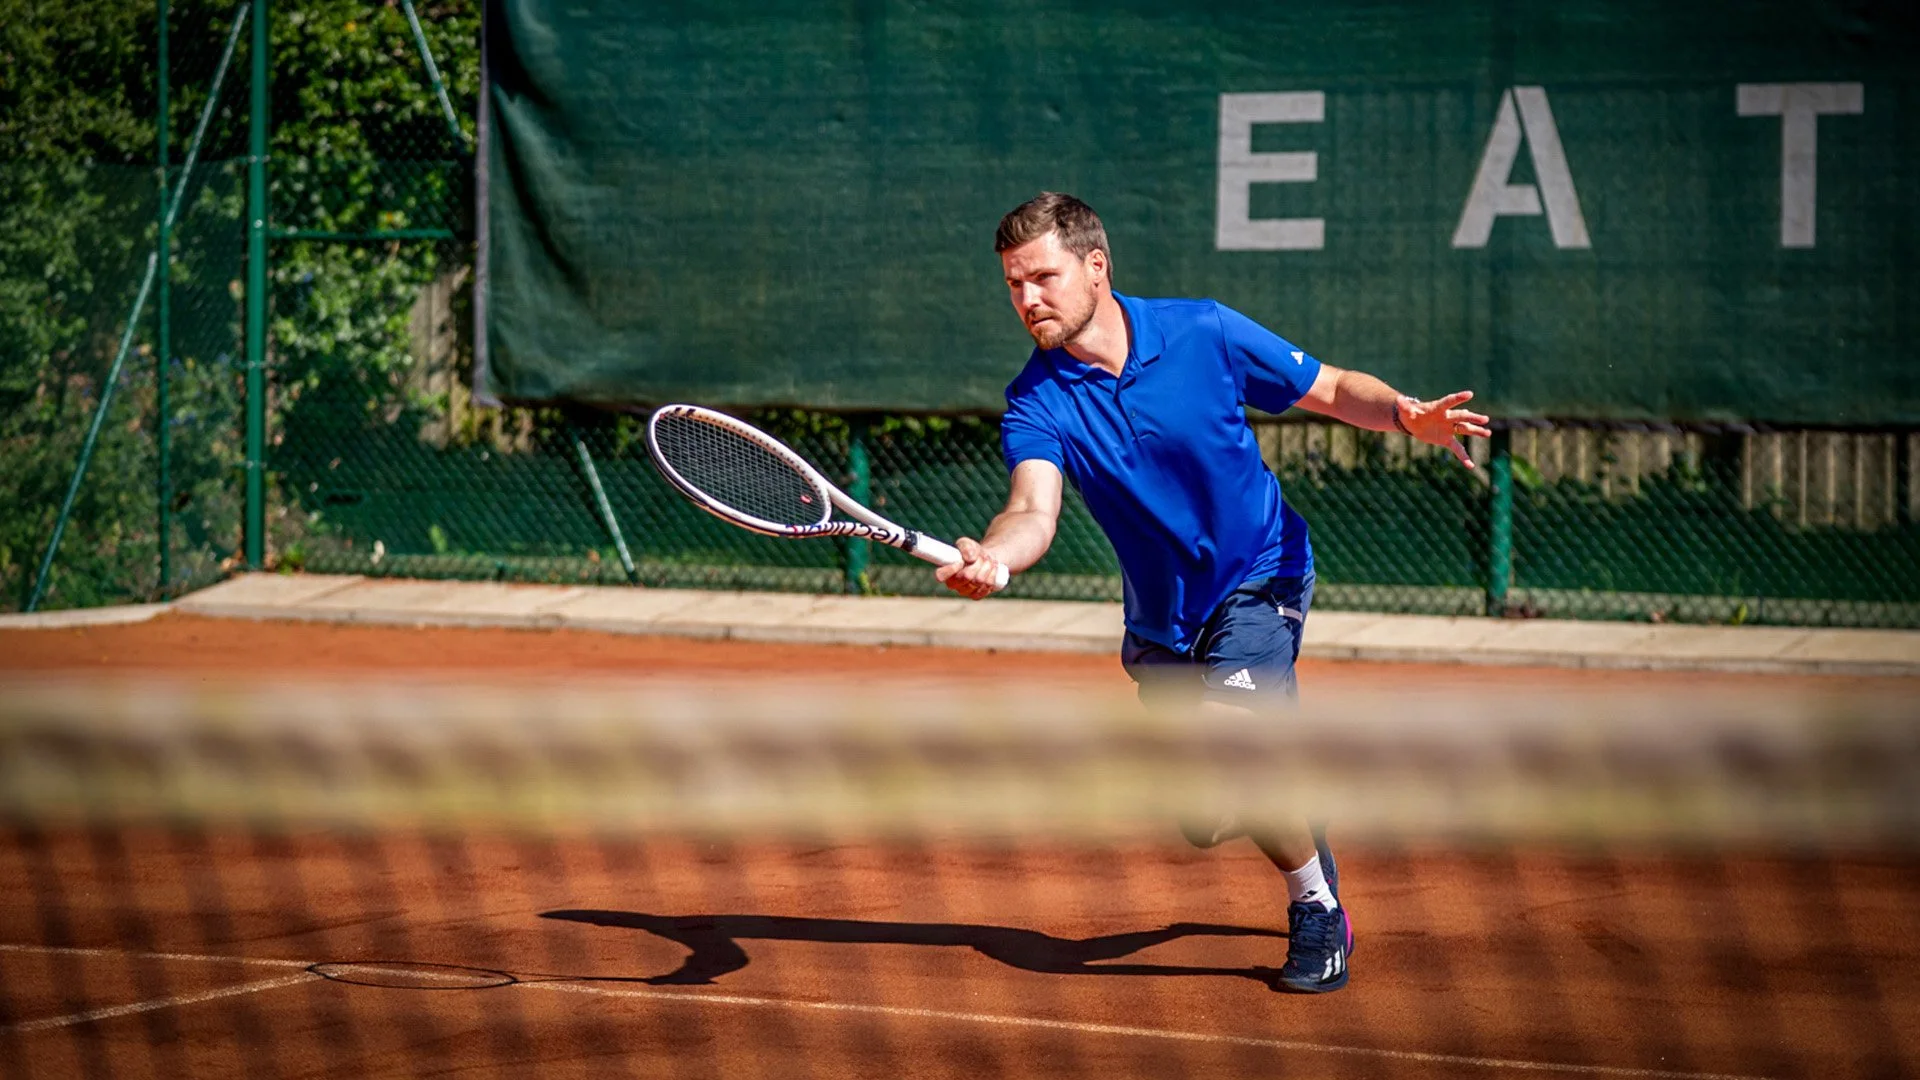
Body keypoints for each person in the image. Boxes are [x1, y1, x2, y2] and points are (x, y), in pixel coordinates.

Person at [936, 192, 1491, 993]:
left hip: (1261, 573)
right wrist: (995, 557)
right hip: (1164, 619)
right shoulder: (1037, 399)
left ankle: (1315, 909)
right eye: (1014, 285)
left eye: (1044, 278)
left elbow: (1329, 389)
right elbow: (1032, 508)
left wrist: (1405, 415)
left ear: (1097, 266)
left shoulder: (1203, 331)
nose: (1028, 300)